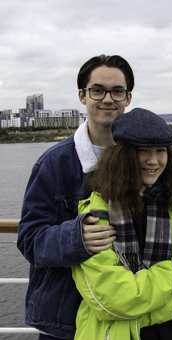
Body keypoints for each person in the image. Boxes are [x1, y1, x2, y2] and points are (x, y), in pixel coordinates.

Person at [17, 54, 133, 339]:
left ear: (128, 98)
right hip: (66, 320)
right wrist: (75, 238)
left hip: (129, 314)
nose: (108, 99)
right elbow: (29, 239)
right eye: (98, 90)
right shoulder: (53, 164)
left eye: (117, 91)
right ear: (82, 95)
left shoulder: (145, 159)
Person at [71, 108, 172, 340]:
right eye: (142, 151)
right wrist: (171, 274)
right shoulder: (96, 212)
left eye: (161, 151)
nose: (153, 160)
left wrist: (143, 316)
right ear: (123, 155)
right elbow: (112, 299)